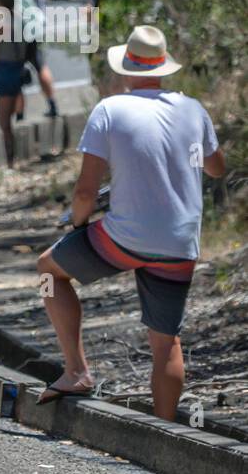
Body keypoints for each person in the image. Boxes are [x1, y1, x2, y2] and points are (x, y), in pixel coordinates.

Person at [36, 26, 224, 421]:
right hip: (179, 242)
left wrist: (77, 224)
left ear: (126, 69)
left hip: (124, 237)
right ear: (164, 68)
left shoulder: (111, 110)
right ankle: (165, 429)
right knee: (166, 340)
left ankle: (76, 371)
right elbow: (216, 168)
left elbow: (86, 192)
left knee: (49, 271)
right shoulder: (192, 109)